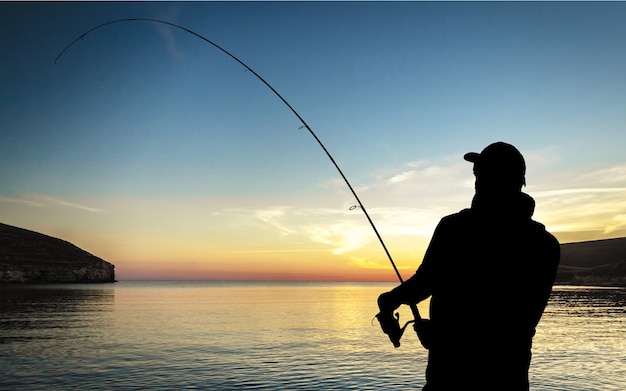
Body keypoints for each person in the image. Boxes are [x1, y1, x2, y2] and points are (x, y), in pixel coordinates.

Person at [377, 142, 560, 390]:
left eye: (482, 172)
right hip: (510, 377)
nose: (476, 179)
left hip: (450, 377)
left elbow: (424, 284)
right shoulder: (545, 244)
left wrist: (388, 301)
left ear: (501, 178)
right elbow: (520, 321)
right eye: (476, 172)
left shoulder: (454, 229)